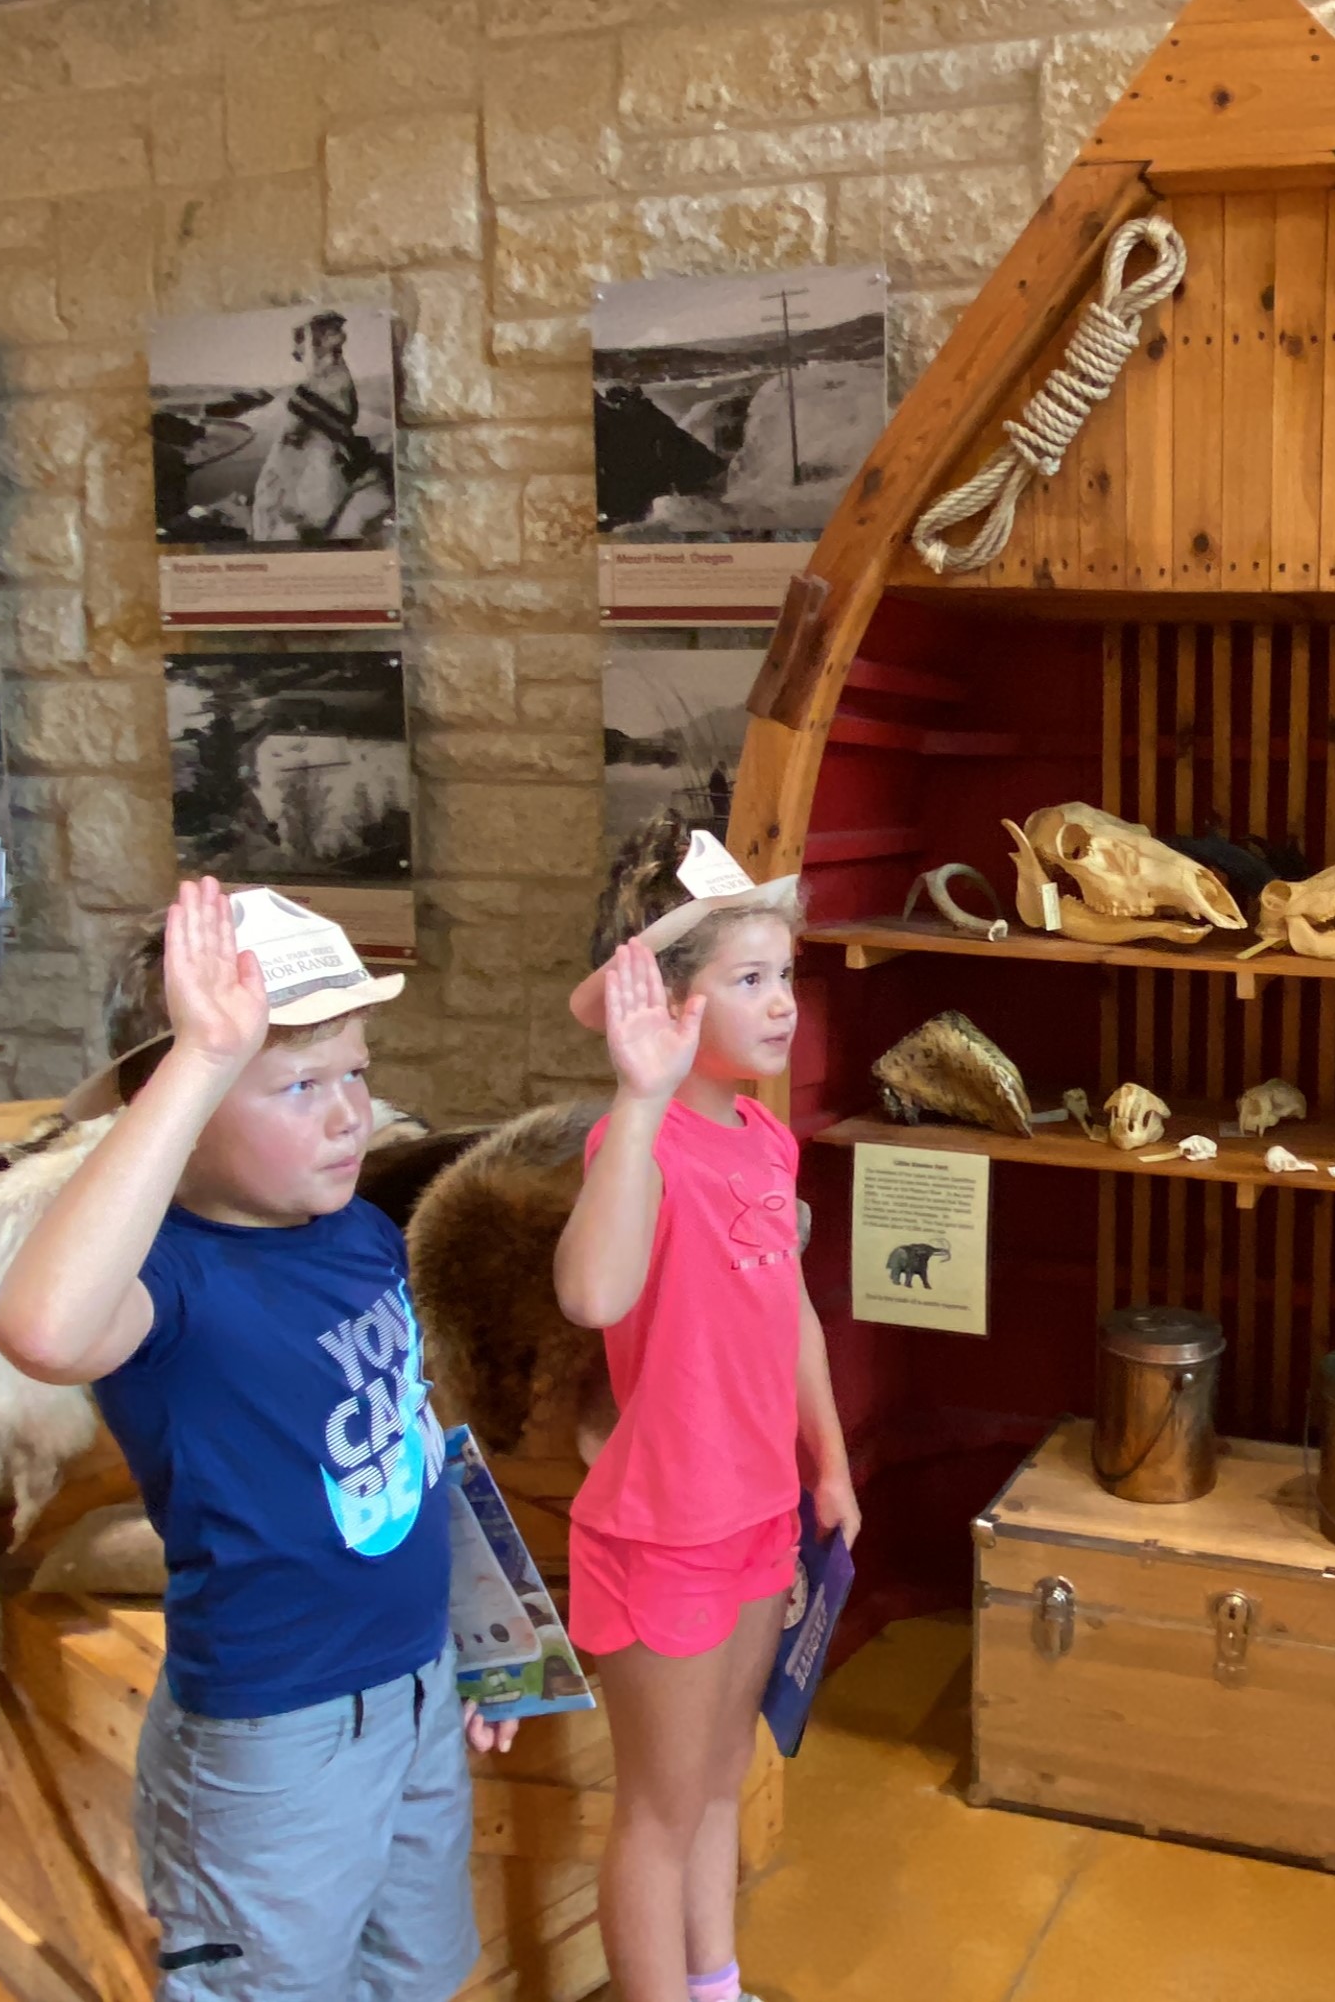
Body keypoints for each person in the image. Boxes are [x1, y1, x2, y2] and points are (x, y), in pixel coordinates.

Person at [0, 880, 516, 2001]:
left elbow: (413, 1444)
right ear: (169, 1105)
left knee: (417, 1974)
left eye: (357, 1073)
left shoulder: (363, 1231)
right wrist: (199, 1056)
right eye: (297, 1085)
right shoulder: (165, 1282)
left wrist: (488, 1630)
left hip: (419, 1686)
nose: (350, 1115)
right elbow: (40, 1326)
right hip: (277, 1735)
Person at [554, 818, 860, 2002]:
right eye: (749, 979)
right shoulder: (637, 1144)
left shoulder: (764, 1137)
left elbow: (789, 1314)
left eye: (786, 974)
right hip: (665, 1523)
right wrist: (636, 1104)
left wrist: (826, 1462)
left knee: (723, 1779)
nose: (783, 1003)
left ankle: (715, 1984)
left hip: (756, 1508)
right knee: (660, 1806)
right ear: (670, 1002)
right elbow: (593, 1292)